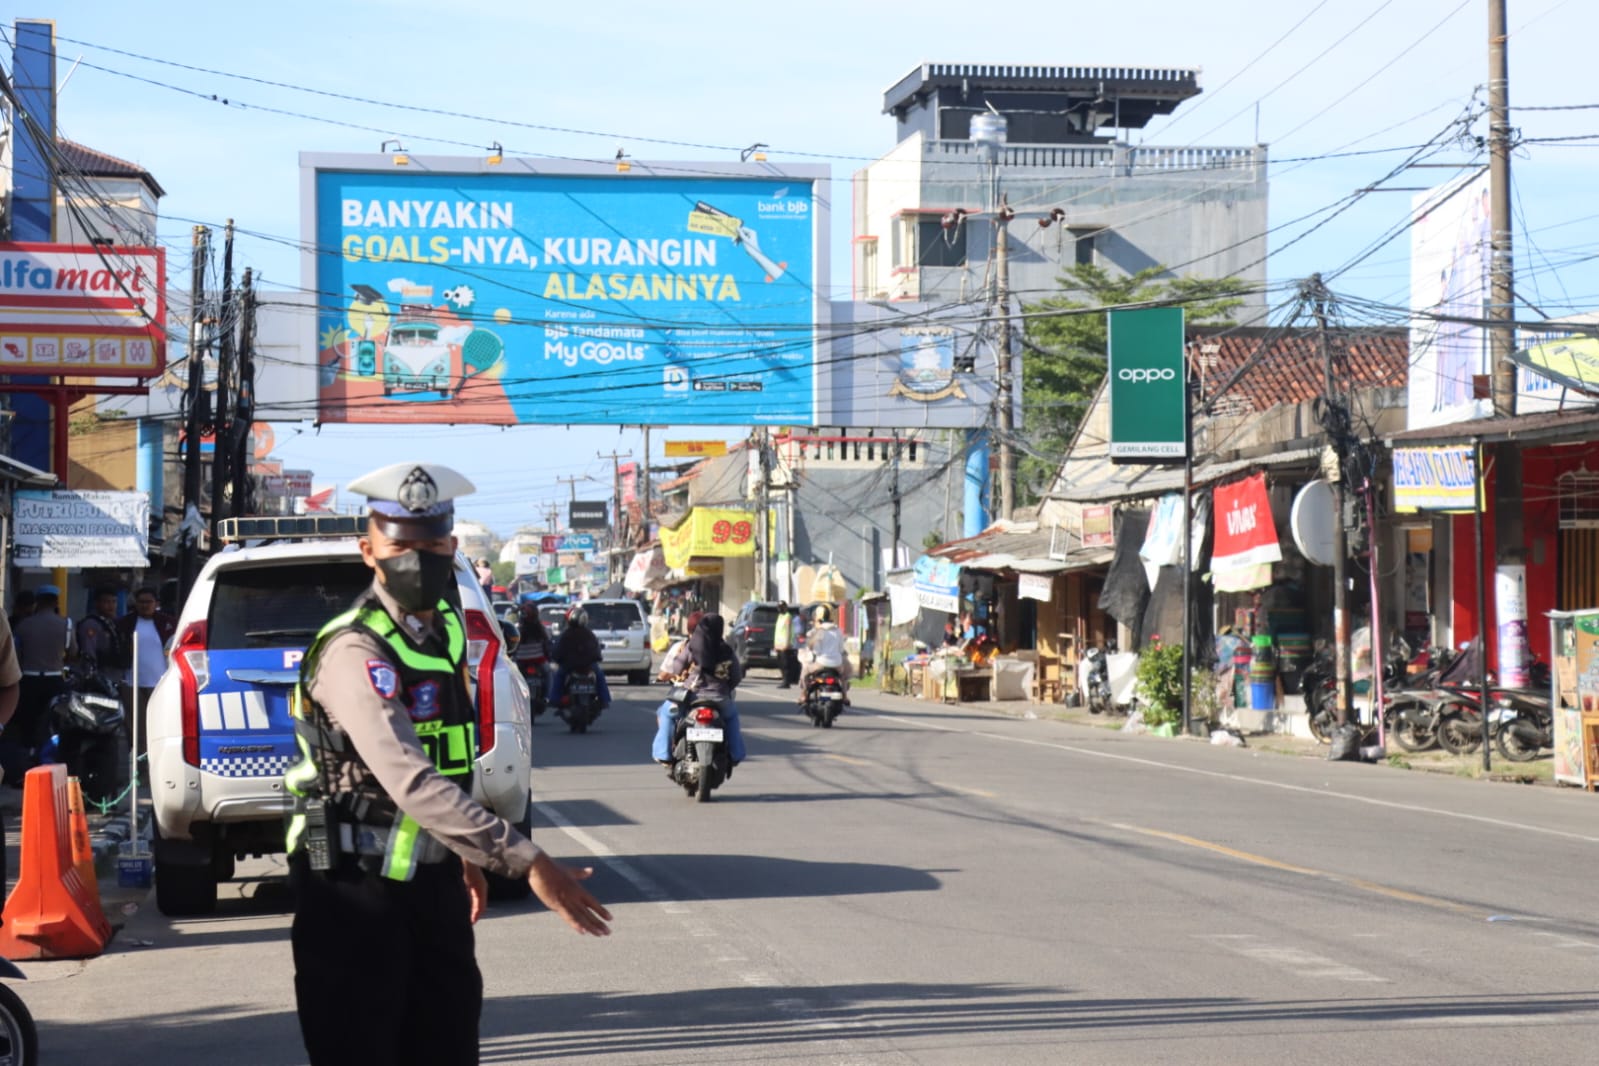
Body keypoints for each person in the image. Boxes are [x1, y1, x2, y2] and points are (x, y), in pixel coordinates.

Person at [285, 461, 611, 1066]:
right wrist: (526, 859)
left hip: (432, 889)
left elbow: (448, 754)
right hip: (353, 892)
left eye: (432, 546)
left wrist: (464, 856)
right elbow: (408, 777)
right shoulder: (355, 648)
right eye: (401, 547)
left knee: (449, 1044)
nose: (418, 560)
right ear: (369, 552)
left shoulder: (445, 636)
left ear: (452, 547)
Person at [652, 611, 746, 766]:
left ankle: (663, 754)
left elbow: (677, 668)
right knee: (731, 718)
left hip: (692, 696)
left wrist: (682, 672)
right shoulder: (727, 650)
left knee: (667, 713)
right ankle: (736, 754)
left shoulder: (692, 646)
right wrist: (725, 688)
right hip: (720, 698)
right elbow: (736, 676)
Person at [118, 586, 178, 784]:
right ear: (135, 604)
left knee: (161, 727)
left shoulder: (169, 623)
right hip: (131, 683)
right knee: (136, 729)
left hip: (160, 684)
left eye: (149, 602)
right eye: (141, 602)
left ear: (156, 604)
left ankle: (161, 768)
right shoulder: (125, 624)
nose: (145, 606)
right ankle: (140, 771)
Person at [11, 585, 74, 772]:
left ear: (37, 602)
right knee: (54, 723)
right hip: (55, 679)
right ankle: (50, 760)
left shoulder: (23, 625)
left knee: (29, 723)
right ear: (56, 602)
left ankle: (27, 762)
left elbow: (17, 656)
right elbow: (73, 651)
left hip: (28, 680)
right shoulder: (66, 624)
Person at [549, 606, 611, 715]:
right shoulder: (588, 634)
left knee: (559, 676)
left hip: (573, 666)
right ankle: (605, 699)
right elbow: (596, 651)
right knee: (599, 675)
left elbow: (558, 652)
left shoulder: (567, 635)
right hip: (585, 665)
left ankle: (555, 699)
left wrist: (557, 658)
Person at [799, 603, 850, 705]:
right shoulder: (838, 631)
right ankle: (845, 696)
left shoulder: (819, 631)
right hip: (837, 665)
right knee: (843, 677)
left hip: (821, 664)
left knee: (805, 672)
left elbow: (816, 651)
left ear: (819, 618)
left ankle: (804, 694)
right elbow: (841, 649)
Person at [77, 585, 127, 679]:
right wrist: (91, 676)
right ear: (97, 603)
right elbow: (88, 652)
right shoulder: (91, 624)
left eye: (114, 602)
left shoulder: (115, 622)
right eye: (107, 602)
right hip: (101, 674)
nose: (111, 606)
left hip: (117, 673)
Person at [773, 601, 794, 689]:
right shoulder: (780, 616)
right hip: (778, 645)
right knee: (780, 663)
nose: (780, 609)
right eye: (779, 607)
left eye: (781, 607)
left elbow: (788, 631)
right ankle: (784, 680)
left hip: (785, 645)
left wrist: (787, 644)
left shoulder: (788, 616)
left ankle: (786, 682)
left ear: (785, 607)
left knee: (785, 664)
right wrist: (775, 644)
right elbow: (777, 631)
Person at [785, 604, 806, 688]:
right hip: (796, 645)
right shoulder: (797, 621)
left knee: (796, 663)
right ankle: (794, 679)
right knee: (795, 663)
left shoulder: (801, 620)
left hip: (798, 645)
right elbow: (799, 633)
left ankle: (795, 678)